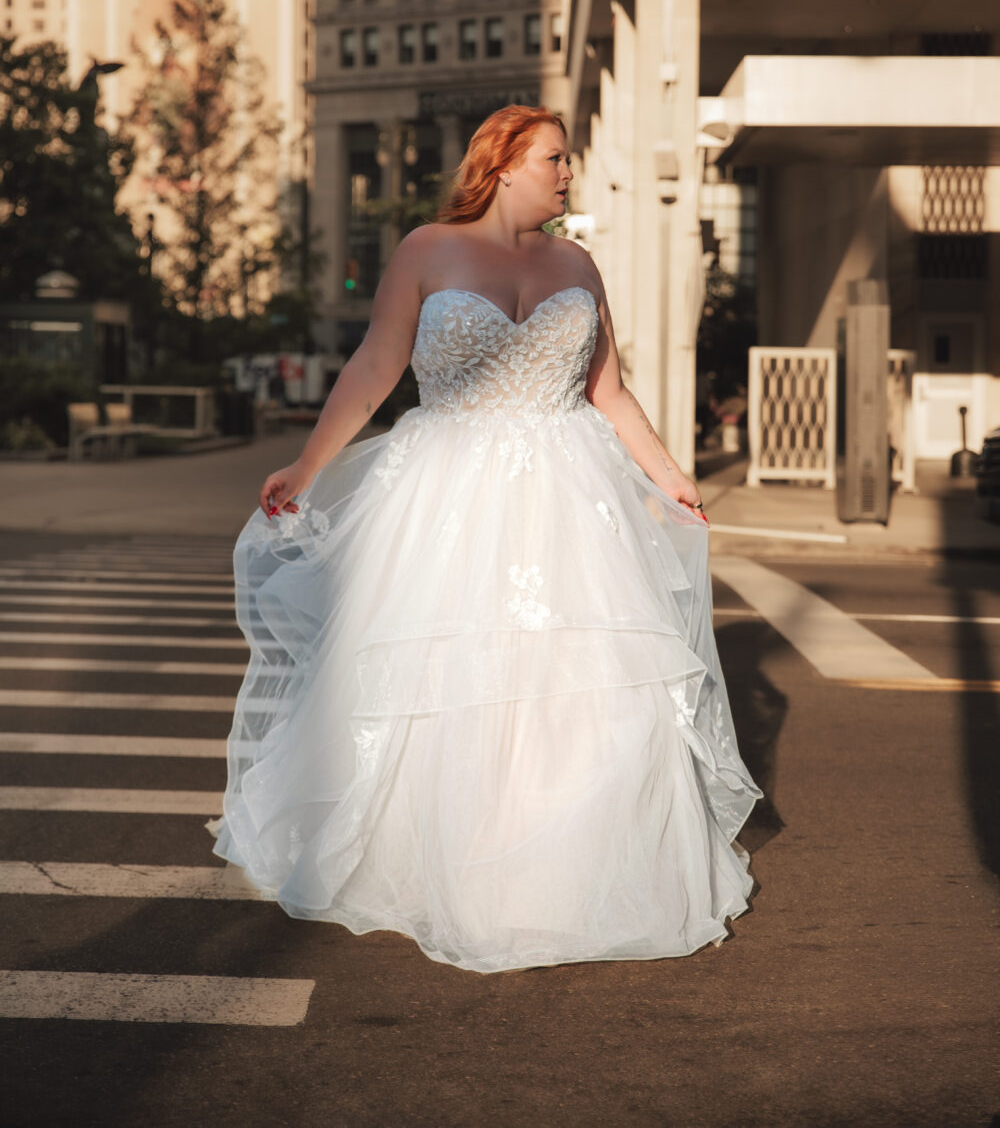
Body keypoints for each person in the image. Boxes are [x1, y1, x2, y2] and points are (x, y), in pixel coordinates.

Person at [211, 105, 761, 973]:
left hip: (568, 494)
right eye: (555, 158)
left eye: (567, 159)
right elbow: (374, 368)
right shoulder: (427, 250)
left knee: (574, 684)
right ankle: (448, 856)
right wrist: (308, 465)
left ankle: (564, 868)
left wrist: (669, 476)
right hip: (448, 496)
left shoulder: (578, 262)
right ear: (504, 165)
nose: (568, 173)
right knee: (449, 673)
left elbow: (608, 393)